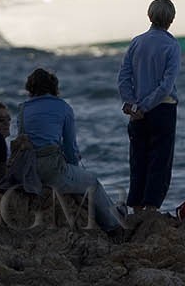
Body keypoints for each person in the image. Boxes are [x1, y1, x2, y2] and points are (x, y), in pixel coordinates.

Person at [18, 67, 123, 232]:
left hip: (29, 172)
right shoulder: (63, 107)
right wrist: (73, 166)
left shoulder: (23, 109)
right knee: (92, 183)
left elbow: (22, 142)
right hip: (52, 170)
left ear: (30, 88)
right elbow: (70, 147)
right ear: (54, 86)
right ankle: (113, 223)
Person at [117, 0, 179, 213]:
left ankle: (135, 207)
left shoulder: (137, 42)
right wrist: (145, 106)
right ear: (171, 19)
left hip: (137, 113)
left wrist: (132, 104)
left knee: (138, 159)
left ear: (149, 16)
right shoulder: (172, 46)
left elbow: (123, 76)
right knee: (159, 161)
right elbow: (166, 86)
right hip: (162, 109)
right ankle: (152, 209)